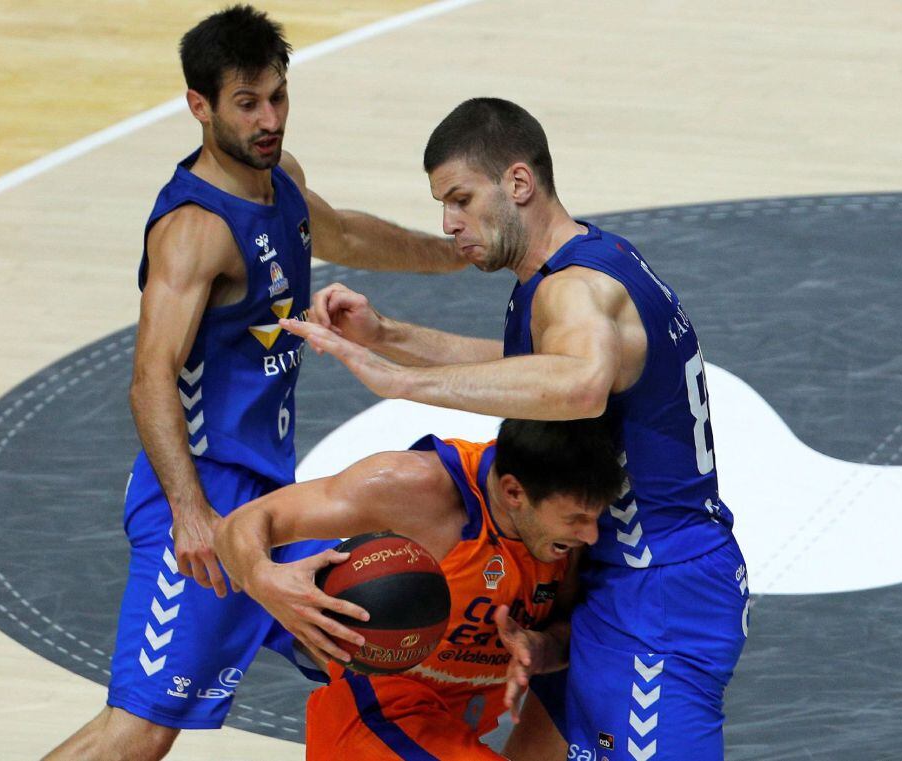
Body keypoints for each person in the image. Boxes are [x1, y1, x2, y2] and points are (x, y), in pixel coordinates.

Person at [43, 7, 462, 760]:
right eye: (247, 103)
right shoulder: (194, 230)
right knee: (138, 729)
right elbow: (148, 379)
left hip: (273, 503)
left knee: (390, 645)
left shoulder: (282, 180)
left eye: (278, 96)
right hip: (202, 508)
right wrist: (189, 511)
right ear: (199, 106)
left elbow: (348, 235)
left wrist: (458, 255)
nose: (269, 119)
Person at [283, 98, 751, 760]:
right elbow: (527, 370)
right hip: (608, 578)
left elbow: (581, 383)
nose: (448, 224)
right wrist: (388, 336)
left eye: (461, 199)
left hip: (658, 589)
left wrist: (401, 382)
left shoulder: (575, 288)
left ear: (520, 183)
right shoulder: (578, 267)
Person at [213, 417, 626, 760]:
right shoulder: (414, 488)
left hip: (453, 726)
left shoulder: (564, 530)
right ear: (514, 492)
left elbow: (569, 629)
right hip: (379, 713)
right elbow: (247, 521)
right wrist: (260, 576)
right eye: (575, 519)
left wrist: (541, 649)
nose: (591, 535)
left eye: (594, 518)